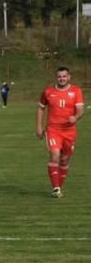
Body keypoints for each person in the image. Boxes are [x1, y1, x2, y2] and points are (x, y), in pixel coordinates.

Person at [36, 66, 84, 198]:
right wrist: (39, 127)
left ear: (69, 77)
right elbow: (41, 108)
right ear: (56, 77)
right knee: (55, 155)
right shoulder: (48, 92)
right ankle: (56, 188)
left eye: (64, 76)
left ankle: (58, 186)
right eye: (59, 76)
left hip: (69, 131)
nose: (62, 79)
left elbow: (80, 110)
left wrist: (75, 117)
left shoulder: (76, 91)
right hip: (53, 130)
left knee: (64, 160)